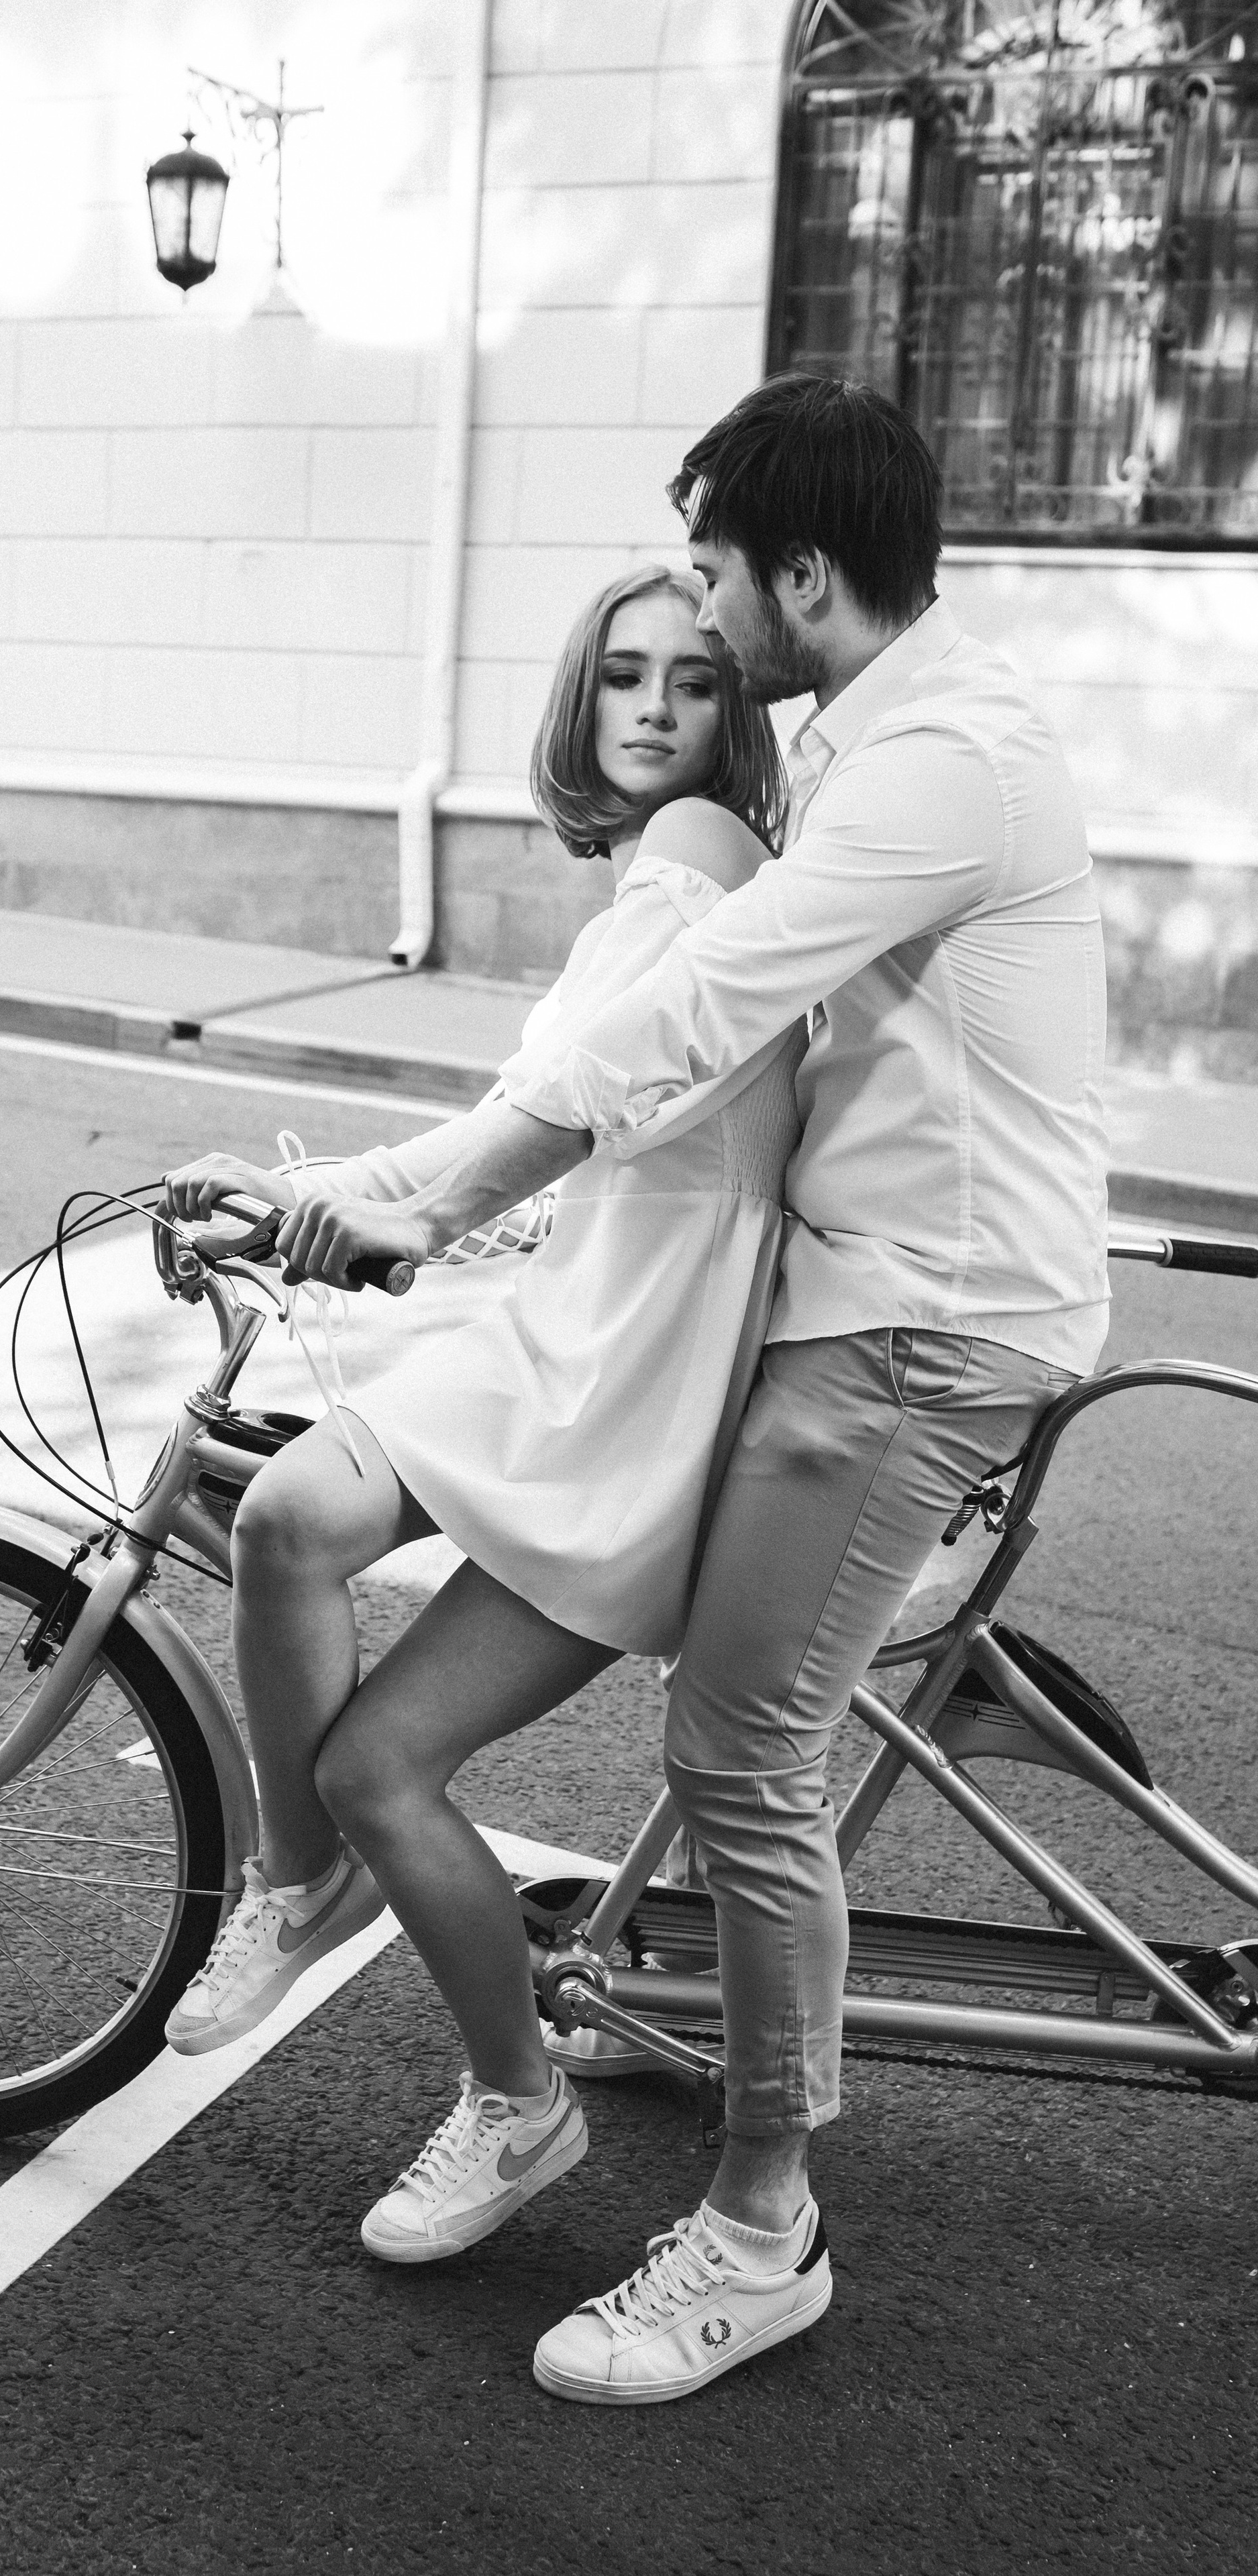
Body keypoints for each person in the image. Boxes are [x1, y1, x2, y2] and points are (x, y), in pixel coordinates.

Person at [193, 374, 1107, 2406]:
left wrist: (412, 1203)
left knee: (748, 1759)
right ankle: (557, 2053)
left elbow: (693, 1011)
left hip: (920, 1322)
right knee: (706, 1746)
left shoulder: (939, 763)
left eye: (712, 573)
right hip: (857, 1306)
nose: (695, 618)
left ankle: (764, 2228)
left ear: (799, 571)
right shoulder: (895, 744)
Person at [160, 561, 804, 2265]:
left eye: (690, 677)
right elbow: (520, 1134)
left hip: (624, 1401)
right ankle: (297, 1887)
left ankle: (514, 2100)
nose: (654, 707)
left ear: (736, 711)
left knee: (384, 1762)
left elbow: (561, 1113)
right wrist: (306, 1184)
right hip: (551, 1337)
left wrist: (383, 1202)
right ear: (579, 704)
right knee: (291, 1519)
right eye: (620, 677)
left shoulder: (696, 866)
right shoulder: (664, 884)